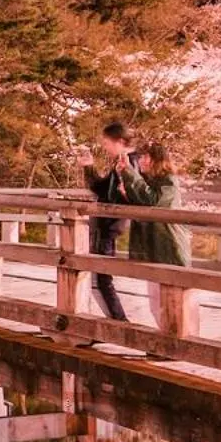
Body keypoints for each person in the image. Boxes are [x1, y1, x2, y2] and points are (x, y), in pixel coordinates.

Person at [124, 140, 193, 328]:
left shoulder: (168, 181)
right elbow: (139, 199)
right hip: (153, 248)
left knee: (172, 301)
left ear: (157, 159)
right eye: (140, 157)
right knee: (156, 302)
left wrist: (130, 175)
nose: (141, 161)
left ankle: (177, 338)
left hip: (168, 247)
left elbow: (152, 200)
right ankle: (167, 335)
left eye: (145, 157)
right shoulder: (147, 180)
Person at [79, 122, 137, 321]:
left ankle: (120, 323)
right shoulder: (121, 162)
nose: (105, 148)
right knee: (99, 278)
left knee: (101, 279)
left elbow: (129, 195)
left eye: (106, 143)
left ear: (119, 141)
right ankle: (118, 322)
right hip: (107, 223)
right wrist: (88, 167)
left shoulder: (131, 162)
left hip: (111, 224)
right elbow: (102, 189)